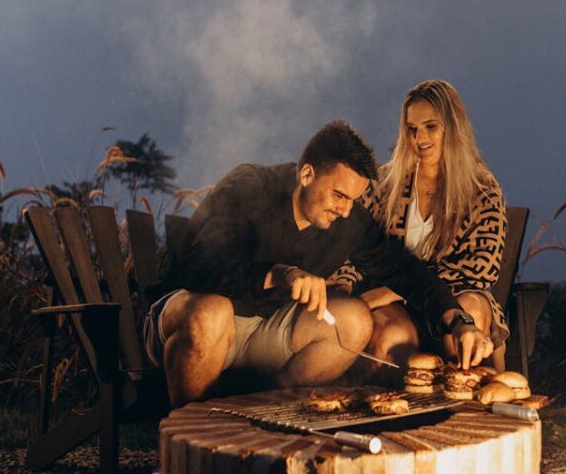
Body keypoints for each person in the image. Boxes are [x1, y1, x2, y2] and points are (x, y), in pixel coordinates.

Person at [143, 120, 492, 407]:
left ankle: (271, 413)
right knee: (212, 312)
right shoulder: (250, 186)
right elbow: (201, 268)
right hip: (194, 317)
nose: (344, 209)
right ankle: (181, 450)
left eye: (352, 200)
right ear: (307, 174)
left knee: (354, 319)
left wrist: (458, 320)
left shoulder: (347, 220)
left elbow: (404, 269)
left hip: (266, 330)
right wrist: (281, 274)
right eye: (339, 195)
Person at [335, 80, 509, 370]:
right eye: (412, 129)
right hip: (393, 306)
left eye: (431, 127)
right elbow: (354, 244)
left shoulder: (481, 187)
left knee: (468, 316)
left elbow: (482, 267)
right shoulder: (385, 183)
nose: (419, 138)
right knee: (390, 335)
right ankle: (402, 410)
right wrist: (342, 284)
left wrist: (401, 288)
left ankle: (464, 407)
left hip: (455, 295)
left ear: (452, 128)